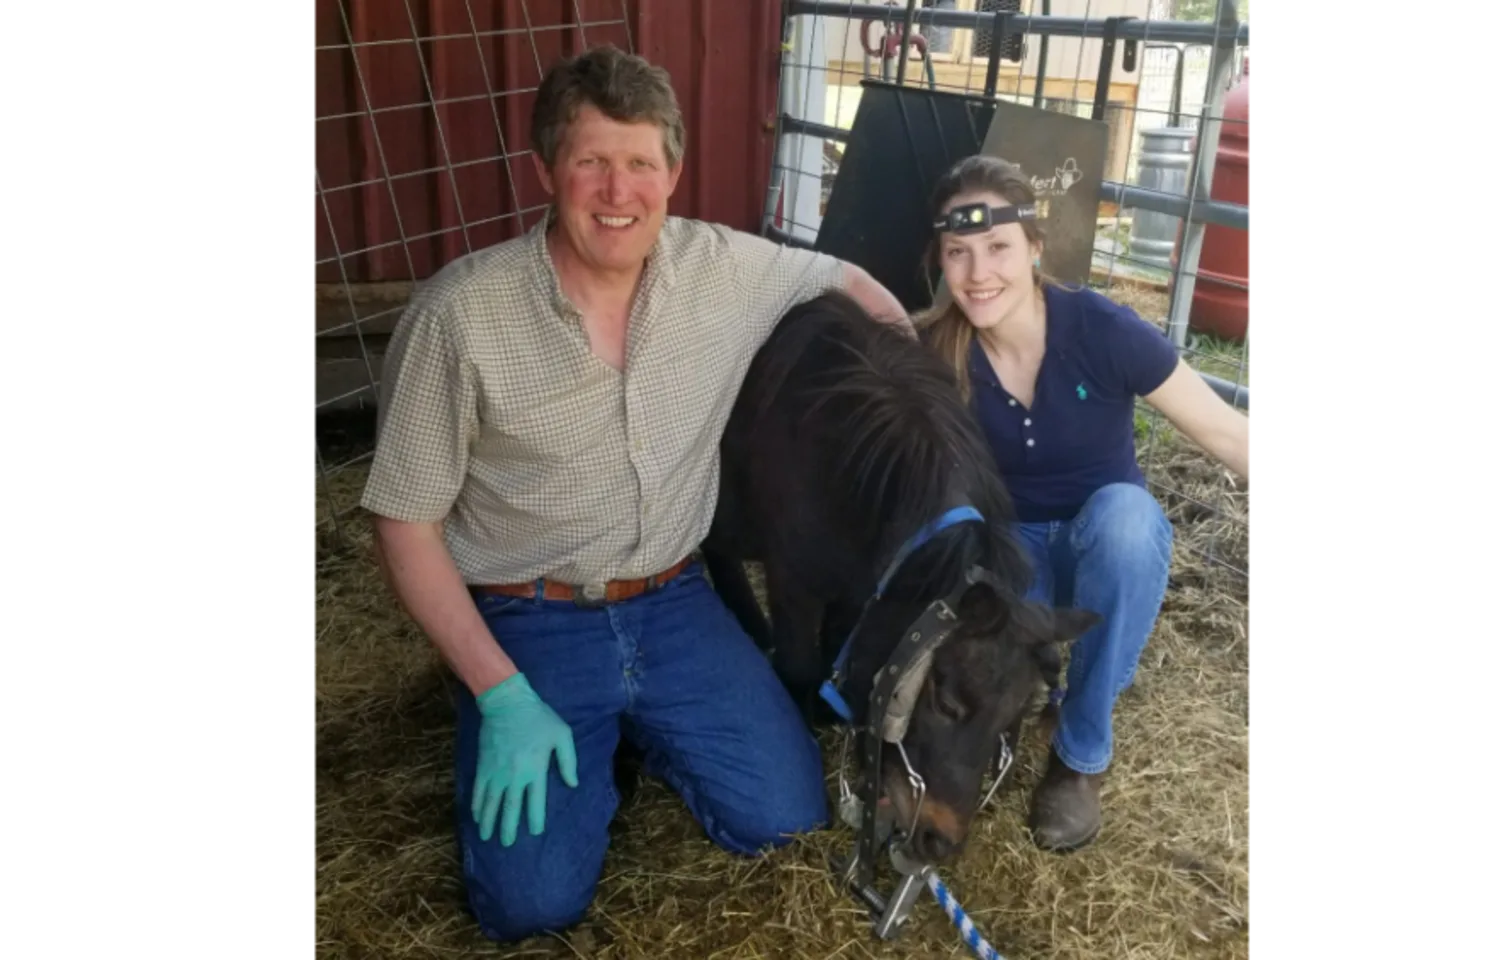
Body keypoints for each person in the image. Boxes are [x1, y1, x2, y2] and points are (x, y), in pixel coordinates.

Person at [359, 44, 911, 942]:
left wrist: (923, 403)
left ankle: (630, 732)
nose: (618, 192)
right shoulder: (458, 317)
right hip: (528, 617)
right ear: (547, 170)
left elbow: (842, 280)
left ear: (674, 173)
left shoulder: (721, 268)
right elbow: (405, 523)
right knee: (532, 907)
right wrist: (499, 689)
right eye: (591, 162)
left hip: (674, 602)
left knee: (786, 820)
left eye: (640, 164)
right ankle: (524, 718)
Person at [912, 154, 1254, 852]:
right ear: (940, 262)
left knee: (1128, 523)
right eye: (959, 253)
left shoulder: (1102, 329)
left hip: (1102, 549)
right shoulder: (934, 355)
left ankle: (1079, 756)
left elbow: (1226, 430)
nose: (979, 275)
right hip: (1008, 558)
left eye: (999, 248)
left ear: (1036, 248)